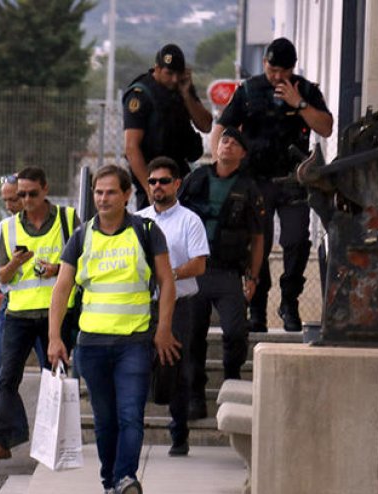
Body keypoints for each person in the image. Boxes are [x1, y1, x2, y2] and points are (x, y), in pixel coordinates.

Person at [48, 164, 179, 494]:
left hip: (134, 342)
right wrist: (55, 337)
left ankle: (125, 479)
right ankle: (111, 486)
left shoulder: (145, 231)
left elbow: (167, 282)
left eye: (110, 192)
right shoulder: (81, 236)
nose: (103, 199)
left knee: (130, 415)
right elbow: (62, 288)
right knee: (105, 421)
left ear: (126, 195)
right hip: (91, 345)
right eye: (98, 192)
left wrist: (163, 329)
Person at [211, 37, 333, 332]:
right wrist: (220, 165)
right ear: (264, 63)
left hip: (293, 180)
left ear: (293, 68)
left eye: (283, 71)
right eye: (272, 69)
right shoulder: (249, 90)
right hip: (256, 181)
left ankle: (289, 302)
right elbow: (221, 129)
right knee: (257, 243)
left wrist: (298, 104)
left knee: (296, 240)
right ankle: (257, 308)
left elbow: (326, 127)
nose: (277, 76)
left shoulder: (305, 90)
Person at [0, 166, 79, 464]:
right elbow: (1, 276)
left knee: (55, 377)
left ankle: (55, 441)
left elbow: (84, 263)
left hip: (57, 313)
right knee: (6, 376)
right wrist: (15, 262)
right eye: (21, 195)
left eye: (32, 194)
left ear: (45, 189)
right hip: (19, 313)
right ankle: (1, 439)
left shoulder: (68, 219)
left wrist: (57, 269)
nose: (25, 201)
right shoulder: (8, 228)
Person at [178, 128, 265, 421]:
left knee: (236, 332)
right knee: (193, 335)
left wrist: (253, 277)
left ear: (243, 154)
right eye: (224, 141)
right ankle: (195, 395)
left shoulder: (249, 188)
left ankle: (231, 382)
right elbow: (175, 217)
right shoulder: (196, 179)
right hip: (195, 270)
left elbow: (258, 237)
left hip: (228, 273)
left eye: (235, 143)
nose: (227, 146)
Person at [136, 157, 209, 456]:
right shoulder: (137, 219)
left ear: (177, 184)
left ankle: (179, 434)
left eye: (164, 181)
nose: (157, 186)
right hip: (142, 305)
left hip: (179, 305)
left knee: (175, 366)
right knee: (137, 365)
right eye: (152, 181)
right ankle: (133, 431)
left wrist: (168, 275)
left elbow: (199, 264)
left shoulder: (190, 220)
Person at [0, 175, 46, 387]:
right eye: (5, 200)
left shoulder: (54, 224)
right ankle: (10, 410)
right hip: (13, 305)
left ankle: (51, 409)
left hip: (47, 307)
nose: (8, 206)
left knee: (52, 373)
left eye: (13, 199)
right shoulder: (6, 227)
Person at [123, 44, 213, 208]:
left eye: (178, 74)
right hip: (153, 177)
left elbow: (206, 125)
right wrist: (149, 187)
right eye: (169, 73)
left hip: (179, 176)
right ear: (157, 69)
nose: (174, 79)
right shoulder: (140, 94)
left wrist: (187, 94)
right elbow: (131, 147)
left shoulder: (182, 88)